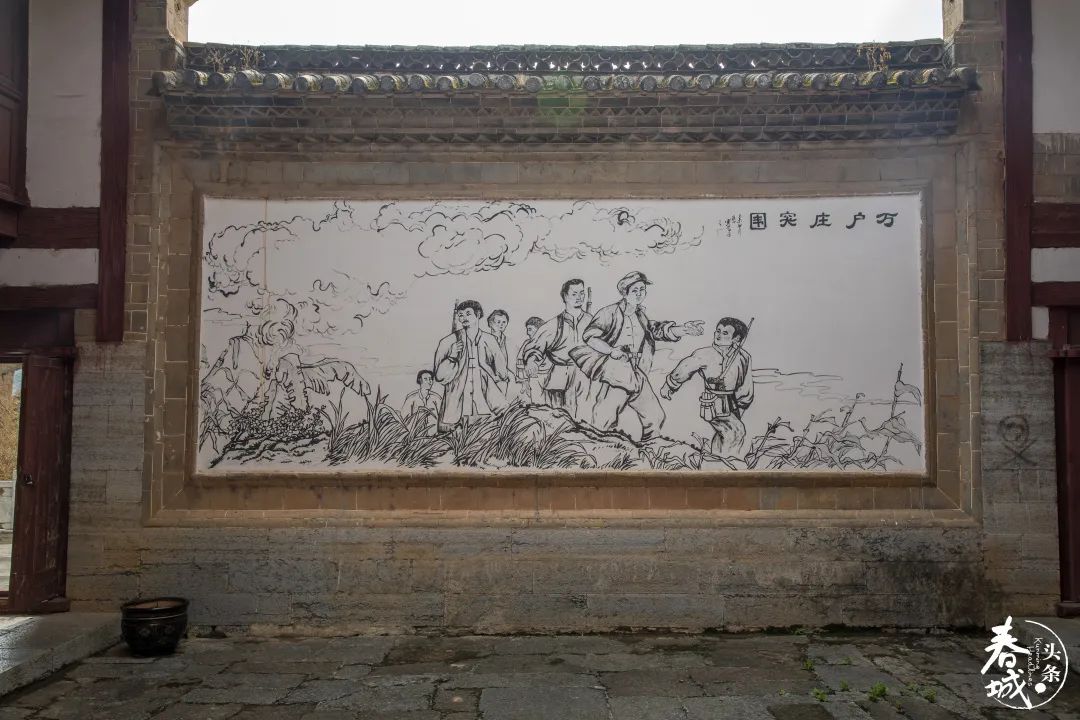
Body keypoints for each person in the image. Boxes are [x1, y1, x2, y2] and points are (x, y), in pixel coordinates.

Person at [570, 271, 703, 440]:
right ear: (625, 293)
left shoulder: (641, 315)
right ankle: (597, 447)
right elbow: (590, 337)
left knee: (655, 416)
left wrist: (683, 329)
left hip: (636, 370)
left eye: (642, 290)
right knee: (604, 417)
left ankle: (650, 448)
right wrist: (611, 350)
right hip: (617, 371)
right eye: (635, 290)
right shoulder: (609, 312)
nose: (640, 294)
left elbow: (658, 330)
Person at [661, 317, 754, 456]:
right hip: (713, 402)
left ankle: (717, 458)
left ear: (737, 338)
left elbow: (745, 384)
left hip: (734, 403)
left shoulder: (744, 357)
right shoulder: (704, 354)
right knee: (735, 431)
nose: (719, 335)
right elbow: (684, 368)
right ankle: (728, 459)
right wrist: (670, 385)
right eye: (718, 331)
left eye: (725, 333)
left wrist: (743, 403)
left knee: (724, 433)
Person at [520, 279, 594, 419]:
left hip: (585, 375)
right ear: (565, 296)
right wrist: (531, 361)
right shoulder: (554, 324)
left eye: (581, 293)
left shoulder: (592, 321)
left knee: (585, 417)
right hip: (560, 377)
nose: (579, 297)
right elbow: (535, 346)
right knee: (560, 419)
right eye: (574, 294)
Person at [433, 300, 509, 432]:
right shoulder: (448, 341)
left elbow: (502, 372)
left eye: (468, 314)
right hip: (456, 404)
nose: (464, 318)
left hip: (485, 403)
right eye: (461, 315)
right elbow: (439, 377)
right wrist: (452, 357)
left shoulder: (489, 340)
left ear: (478, 314)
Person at [516, 316, 547, 404]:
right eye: (527, 329)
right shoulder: (526, 343)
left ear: (539, 330)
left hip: (543, 379)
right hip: (528, 380)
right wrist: (524, 382)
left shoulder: (546, 343)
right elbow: (519, 362)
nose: (527, 333)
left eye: (530, 329)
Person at [487, 309, 511, 394]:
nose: (501, 324)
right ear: (490, 323)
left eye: (504, 322)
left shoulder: (505, 340)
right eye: (498, 322)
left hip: (503, 380)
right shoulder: (485, 339)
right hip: (489, 379)